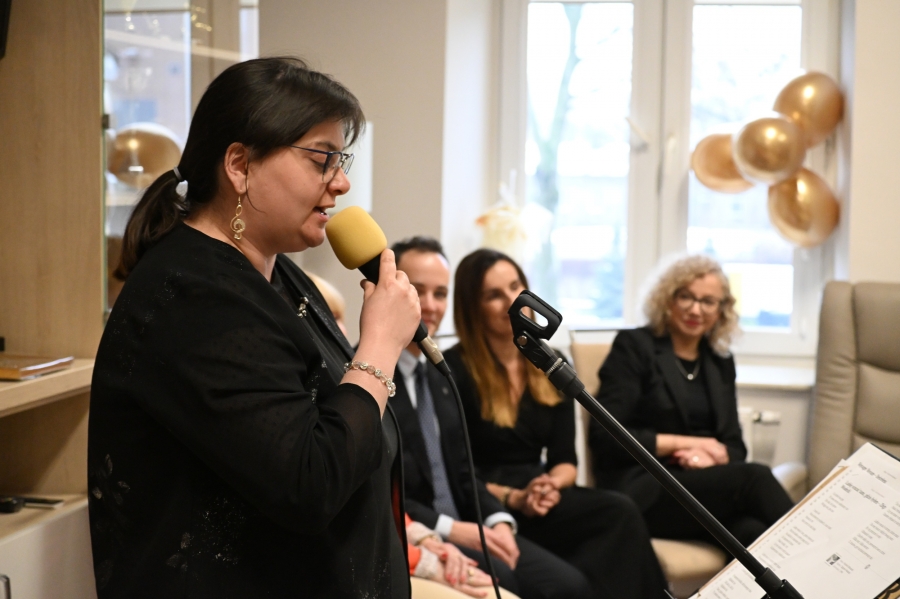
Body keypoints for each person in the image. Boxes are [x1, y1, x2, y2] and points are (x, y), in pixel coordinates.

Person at [88, 57, 422, 599]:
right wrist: (380, 346)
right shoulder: (196, 298)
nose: (341, 182)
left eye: (341, 160)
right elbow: (309, 483)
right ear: (240, 166)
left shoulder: (277, 273)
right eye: (323, 159)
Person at [443, 248, 667, 599]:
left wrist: (550, 485)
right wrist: (515, 497)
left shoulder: (550, 361)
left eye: (515, 286)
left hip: (541, 493)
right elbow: (457, 473)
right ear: (473, 307)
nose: (510, 301)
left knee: (618, 511)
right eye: (493, 295)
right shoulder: (452, 370)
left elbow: (565, 461)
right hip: (491, 502)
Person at [389, 237, 596, 599]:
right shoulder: (377, 375)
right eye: (417, 290)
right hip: (418, 528)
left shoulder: (436, 375)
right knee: (507, 580)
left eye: (440, 293)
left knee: (570, 584)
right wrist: (453, 528)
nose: (430, 305)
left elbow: (462, 471)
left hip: (475, 517)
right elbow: (386, 488)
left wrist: (498, 521)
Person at [588, 254, 794, 547]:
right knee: (755, 478)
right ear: (667, 298)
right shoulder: (635, 346)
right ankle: (827, 558)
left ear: (721, 310)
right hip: (645, 489)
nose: (696, 310)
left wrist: (710, 457)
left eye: (708, 301)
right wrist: (689, 444)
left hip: (703, 487)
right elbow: (605, 437)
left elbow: (735, 446)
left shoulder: (719, 361)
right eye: (686, 297)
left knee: (752, 533)